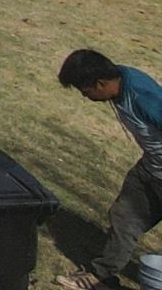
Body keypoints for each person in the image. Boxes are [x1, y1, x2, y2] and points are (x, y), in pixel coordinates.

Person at [61, 49, 162, 284]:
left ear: (100, 83)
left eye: (85, 92)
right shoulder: (121, 78)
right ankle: (100, 274)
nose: (85, 97)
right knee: (124, 217)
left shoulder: (142, 96)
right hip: (151, 168)